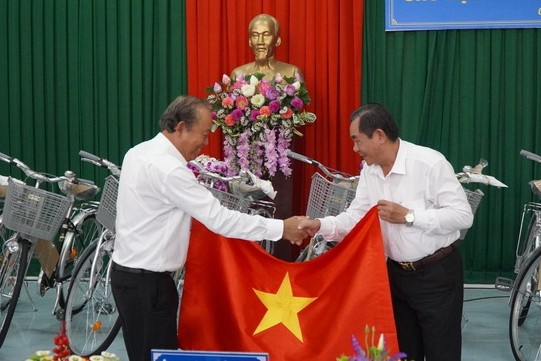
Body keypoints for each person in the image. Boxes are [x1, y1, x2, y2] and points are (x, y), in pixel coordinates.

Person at [111, 95, 309, 361]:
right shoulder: (169, 170)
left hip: (128, 279)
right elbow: (219, 219)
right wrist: (281, 228)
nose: (205, 143)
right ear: (181, 127)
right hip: (149, 286)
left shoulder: (138, 152)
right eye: (203, 135)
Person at [298, 103, 473, 361]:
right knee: (403, 352)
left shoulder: (429, 163)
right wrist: (321, 226)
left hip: (436, 276)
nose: (355, 149)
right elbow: (356, 216)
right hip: (395, 275)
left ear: (379, 135)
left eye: (357, 140)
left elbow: (463, 216)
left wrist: (410, 217)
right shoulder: (370, 172)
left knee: (441, 352)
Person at [231, 14, 303, 81]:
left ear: (278, 40)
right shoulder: (238, 74)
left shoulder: (293, 72)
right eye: (255, 35)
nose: (260, 42)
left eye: (266, 35)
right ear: (250, 41)